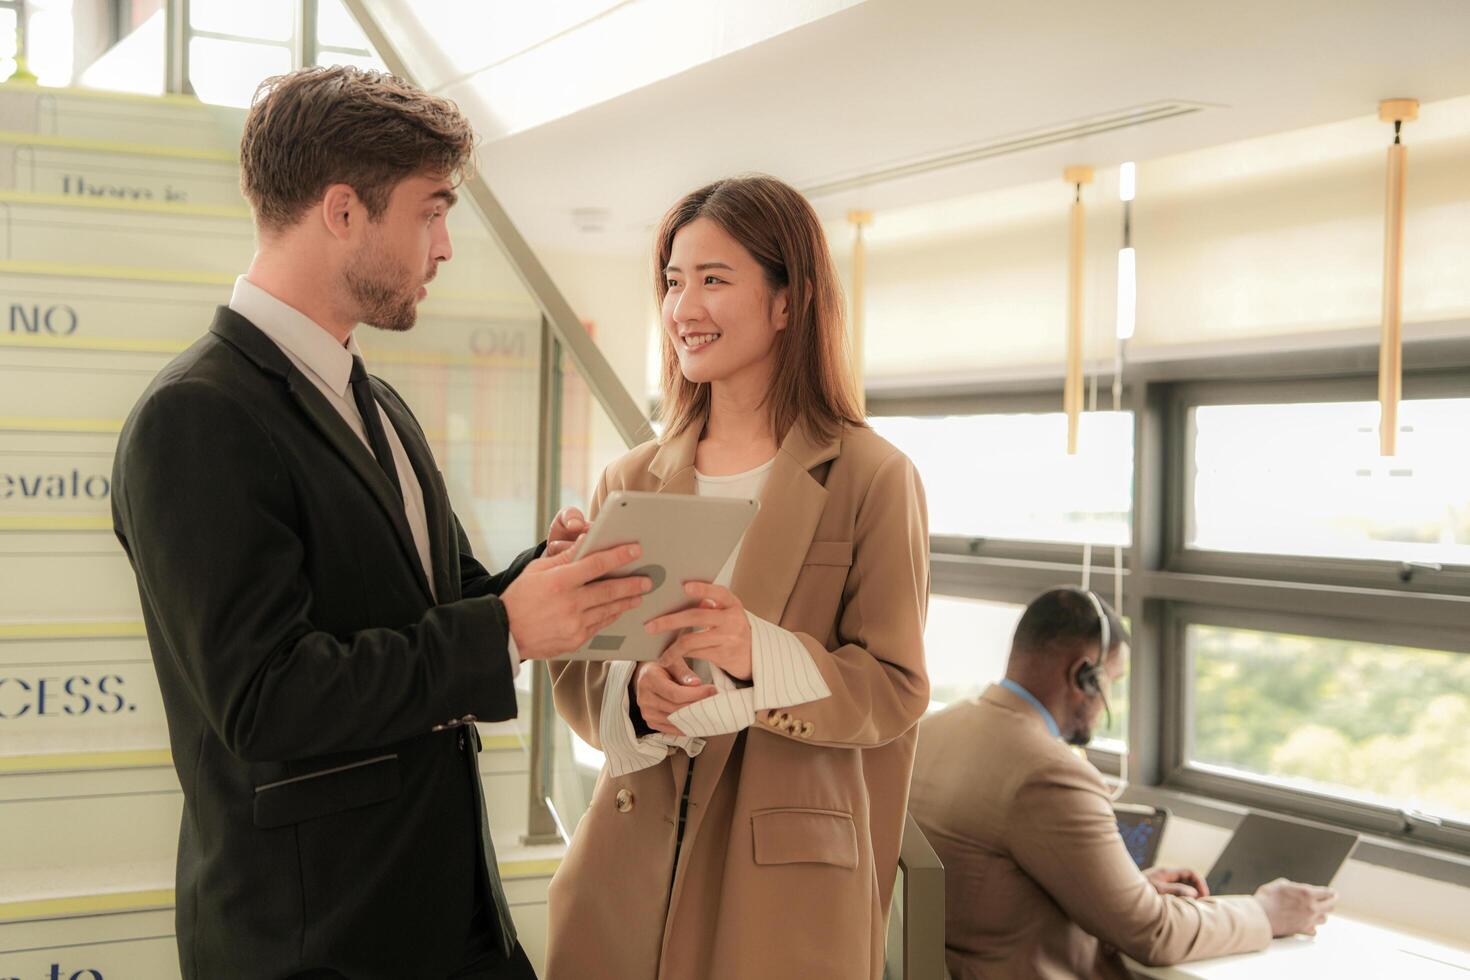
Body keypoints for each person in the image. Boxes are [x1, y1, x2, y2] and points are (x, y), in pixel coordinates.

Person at [110, 66, 651, 980]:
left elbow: (438, 600)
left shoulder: (376, 397)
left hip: (446, 909)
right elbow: (266, 697)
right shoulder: (195, 416)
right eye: (431, 211)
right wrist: (508, 628)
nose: (444, 247)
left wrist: (540, 578)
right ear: (343, 211)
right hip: (314, 941)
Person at [544, 175, 930, 979]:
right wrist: (636, 702)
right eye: (674, 282)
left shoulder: (871, 477)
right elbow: (583, 675)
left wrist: (759, 652)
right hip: (627, 868)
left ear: (789, 301)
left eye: (714, 280)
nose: (684, 307)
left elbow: (895, 688)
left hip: (782, 893)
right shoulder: (633, 477)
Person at [908, 587, 1337, 979]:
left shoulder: (929, 731)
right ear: (1083, 675)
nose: (1108, 700)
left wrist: (1125, 891)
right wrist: (1265, 912)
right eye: (1112, 681)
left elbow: (995, 887)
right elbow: (1154, 934)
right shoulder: (1049, 772)